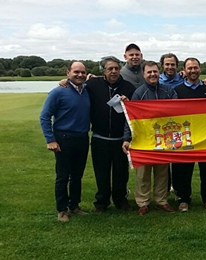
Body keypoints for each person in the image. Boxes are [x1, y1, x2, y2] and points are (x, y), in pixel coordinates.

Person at [122, 61, 178, 215]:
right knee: (143, 173)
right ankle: (143, 202)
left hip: (164, 137)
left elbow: (179, 114)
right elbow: (130, 118)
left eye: (155, 71)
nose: (152, 74)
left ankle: (161, 200)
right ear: (143, 74)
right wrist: (127, 139)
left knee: (162, 172)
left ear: (159, 73)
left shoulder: (169, 91)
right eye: (149, 72)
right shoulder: (139, 93)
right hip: (143, 139)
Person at [39, 61, 90, 222]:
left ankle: (74, 206)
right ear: (68, 73)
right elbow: (44, 116)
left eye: (83, 72)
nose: (80, 75)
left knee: (77, 175)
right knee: (63, 176)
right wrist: (50, 140)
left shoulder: (86, 90)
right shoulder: (58, 92)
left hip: (82, 138)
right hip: (63, 138)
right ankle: (62, 210)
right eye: (76, 72)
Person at [87, 56, 136, 212]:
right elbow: (76, 86)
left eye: (116, 68)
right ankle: (102, 201)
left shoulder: (128, 87)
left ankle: (121, 200)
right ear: (103, 70)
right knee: (101, 172)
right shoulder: (93, 85)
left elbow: (134, 113)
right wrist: (64, 82)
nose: (114, 71)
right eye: (110, 69)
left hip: (120, 139)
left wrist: (128, 103)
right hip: (99, 138)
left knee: (121, 173)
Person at [171, 57, 206, 212]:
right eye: (190, 68)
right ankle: (184, 199)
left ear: (200, 69)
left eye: (195, 67)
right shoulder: (177, 90)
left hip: (205, 135)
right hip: (185, 136)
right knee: (184, 169)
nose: (193, 71)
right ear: (184, 70)